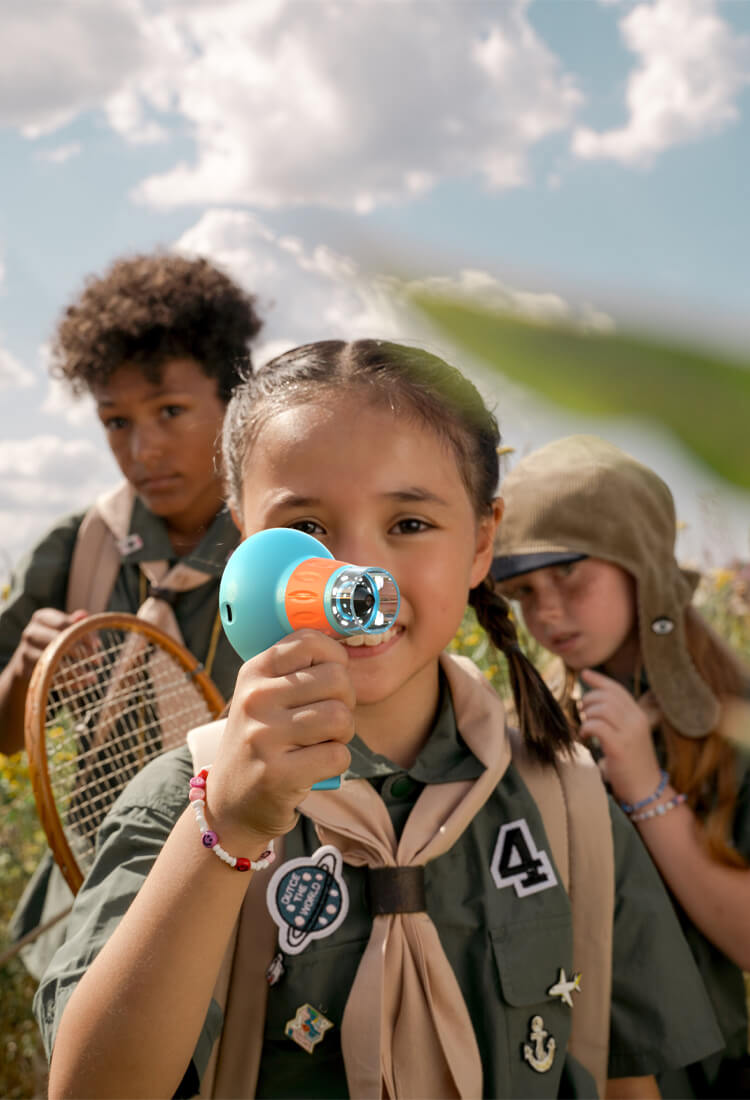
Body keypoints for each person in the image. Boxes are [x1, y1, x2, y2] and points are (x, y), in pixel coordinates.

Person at [36, 342, 724, 1099]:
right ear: (246, 540)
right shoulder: (183, 807)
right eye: (308, 530)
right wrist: (223, 834)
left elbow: (625, 1078)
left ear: (482, 541)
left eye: (409, 524)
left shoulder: (571, 804)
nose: (358, 576)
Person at [2, 252, 263, 977]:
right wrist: (27, 672)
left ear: (235, 401)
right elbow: (1, 736)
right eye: (116, 422)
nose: (142, 450)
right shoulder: (79, 548)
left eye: (170, 413)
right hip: (88, 906)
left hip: (250, 909)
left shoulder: (288, 557)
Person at [491, 433, 750, 1099]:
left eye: (570, 574)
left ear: (639, 561)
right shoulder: (533, 732)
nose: (546, 612)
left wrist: (646, 790)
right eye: (522, 592)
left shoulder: (737, 722)